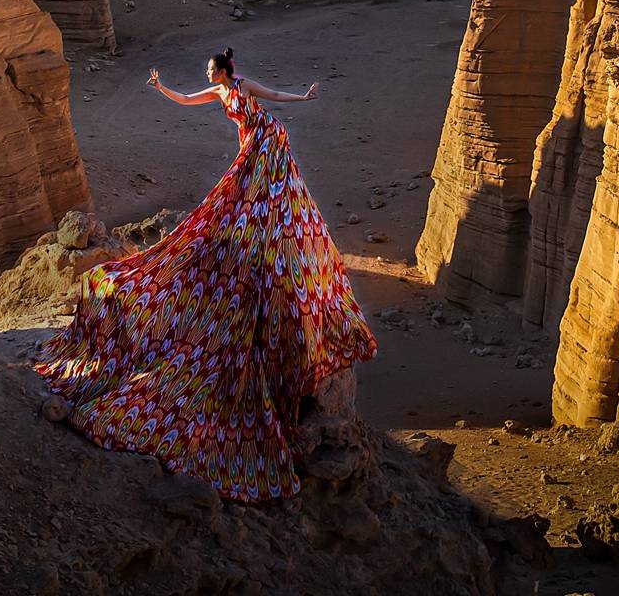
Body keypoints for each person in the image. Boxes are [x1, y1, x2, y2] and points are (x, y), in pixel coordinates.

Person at [33, 47, 377, 502]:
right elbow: (186, 100)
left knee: (263, 193)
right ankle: (256, 233)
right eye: (208, 74)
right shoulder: (218, 92)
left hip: (268, 141)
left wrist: (305, 97)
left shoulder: (242, 86)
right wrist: (160, 88)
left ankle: (273, 231)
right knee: (239, 197)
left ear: (225, 70)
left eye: (211, 70)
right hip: (252, 148)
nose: (208, 76)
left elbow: (273, 94)